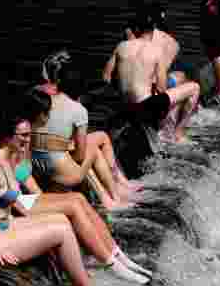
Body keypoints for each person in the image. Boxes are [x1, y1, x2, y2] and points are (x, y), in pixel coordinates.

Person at [0, 109, 117, 286]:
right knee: (61, 231)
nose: (28, 140)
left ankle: (86, 271)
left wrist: (39, 209)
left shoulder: (9, 157)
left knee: (62, 219)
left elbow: (17, 196)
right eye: (23, 136)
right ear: (7, 136)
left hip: (7, 225)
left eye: (29, 135)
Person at [19, 90, 152, 283]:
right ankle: (112, 265)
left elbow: (26, 172)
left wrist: (41, 194)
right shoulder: (17, 143)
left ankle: (117, 254)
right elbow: (18, 175)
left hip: (27, 197)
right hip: (17, 202)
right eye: (47, 112)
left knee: (79, 199)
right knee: (73, 203)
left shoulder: (29, 136)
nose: (49, 116)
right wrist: (39, 196)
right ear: (39, 115)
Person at [31, 52, 140, 210]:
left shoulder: (37, 100)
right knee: (91, 150)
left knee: (93, 141)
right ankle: (114, 195)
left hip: (34, 165)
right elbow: (80, 156)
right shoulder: (78, 109)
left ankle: (113, 192)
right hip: (64, 174)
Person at [103, 7, 201, 143]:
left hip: (126, 106)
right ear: (153, 30)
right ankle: (177, 134)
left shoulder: (121, 46)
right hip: (146, 108)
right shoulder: (157, 50)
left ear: (136, 29)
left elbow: (106, 77)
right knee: (194, 87)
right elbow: (161, 88)